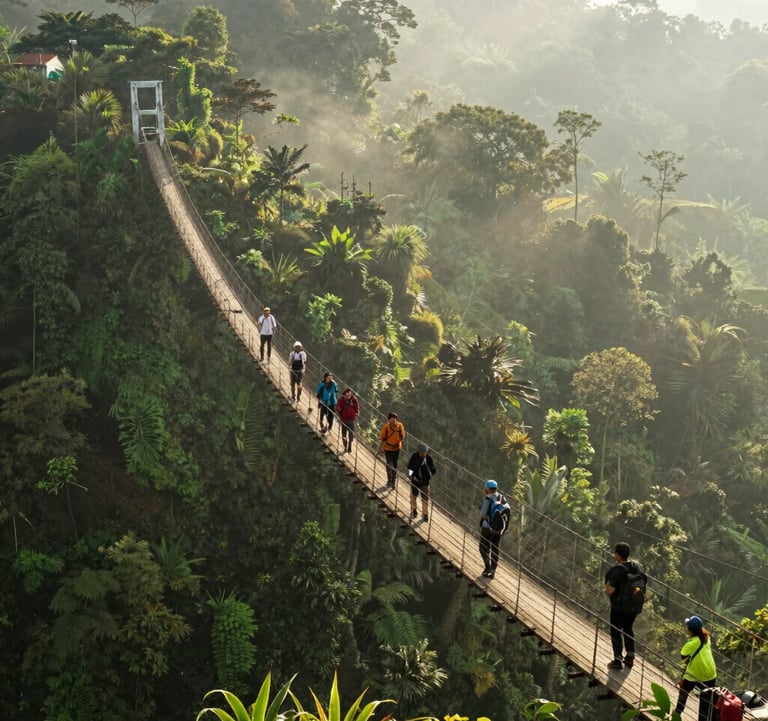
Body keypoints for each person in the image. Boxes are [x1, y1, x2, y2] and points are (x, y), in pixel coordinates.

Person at [604, 541, 643, 669]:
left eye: (615, 553)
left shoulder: (618, 570)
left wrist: (607, 587)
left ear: (619, 556)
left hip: (619, 607)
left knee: (616, 631)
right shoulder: (635, 566)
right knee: (628, 629)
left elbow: (610, 590)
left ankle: (617, 660)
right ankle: (630, 655)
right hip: (633, 607)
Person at [675, 615, 717, 721]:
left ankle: (677, 714)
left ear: (690, 631)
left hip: (694, 674)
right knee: (705, 701)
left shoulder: (690, 645)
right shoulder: (707, 638)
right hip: (711, 674)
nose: (686, 628)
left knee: (683, 692)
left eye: (687, 627)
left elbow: (684, 661)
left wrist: (682, 678)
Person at [479, 479, 506, 579]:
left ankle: (488, 567)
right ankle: (493, 571)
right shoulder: (502, 498)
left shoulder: (488, 499)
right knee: (495, 549)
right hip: (498, 529)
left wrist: (483, 518)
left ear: (488, 489)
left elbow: (482, 514)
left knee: (483, 548)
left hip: (487, 528)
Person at [406, 443, 436, 521]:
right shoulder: (414, 457)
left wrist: (430, 475)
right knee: (413, 497)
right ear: (419, 451)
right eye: (422, 452)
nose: (423, 454)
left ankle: (425, 514)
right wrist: (410, 476)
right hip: (415, 480)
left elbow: (433, 469)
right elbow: (410, 467)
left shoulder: (429, 458)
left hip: (425, 482)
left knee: (425, 498)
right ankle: (414, 511)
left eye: (424, 452)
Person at [377, 412, 406, 488]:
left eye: (395, 419)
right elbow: (382, 438)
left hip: (396, 449)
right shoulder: (386, 427)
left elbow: (402, 436)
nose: (394, 420)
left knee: (395, 465)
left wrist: (398, 440)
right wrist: (380, 450)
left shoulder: (400, 426)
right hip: (388, 448)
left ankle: (393, 481)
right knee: (389, 464)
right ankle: (389, 480)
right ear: (389, 420)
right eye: (392, 418)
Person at [336, 388, 359, 454]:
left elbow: (357, 407)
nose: (349, 394)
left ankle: (350, 446)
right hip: (344, 419)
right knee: (344, 434)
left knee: (351, 434)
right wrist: (339, 410)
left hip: (351, 420)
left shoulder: (354, 399)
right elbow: (338, 406)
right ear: (345, 394)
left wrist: (356, 413)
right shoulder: (342, 400)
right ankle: (345, 447)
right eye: (347, 393)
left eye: (350, 392)